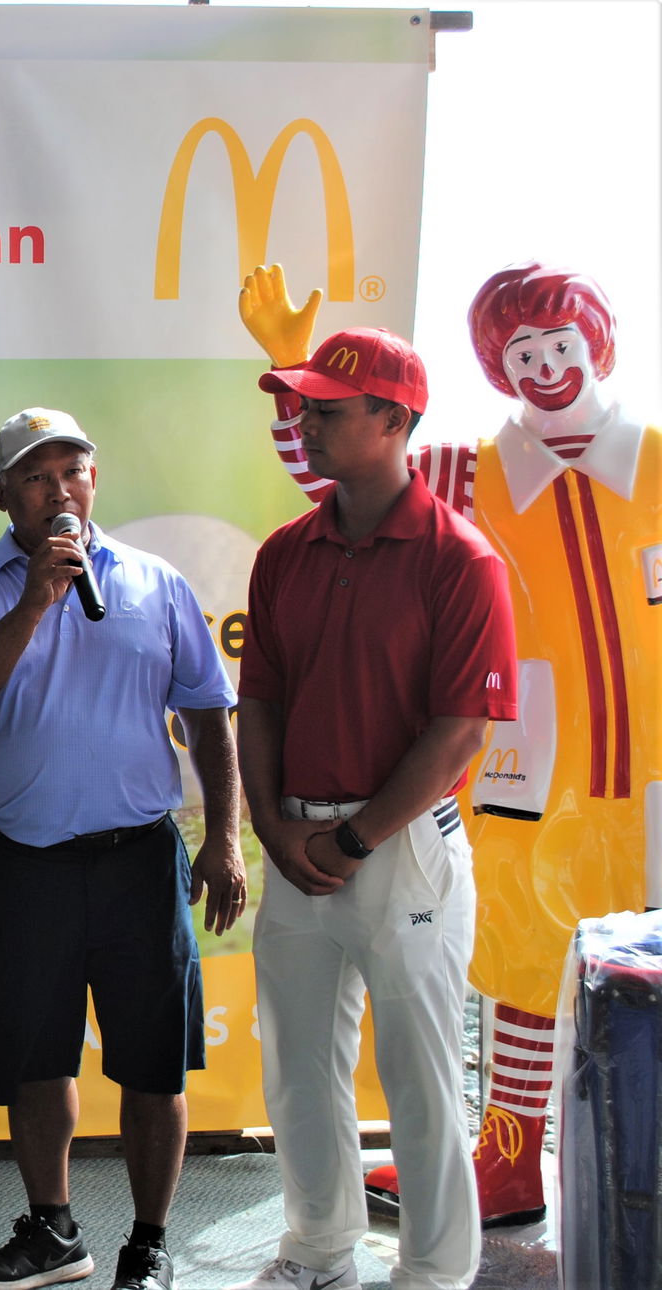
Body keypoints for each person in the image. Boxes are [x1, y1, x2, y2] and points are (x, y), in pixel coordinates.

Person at [241, 262, 661, 1227]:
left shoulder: (659, 457)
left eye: (560, 340)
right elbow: (328, 471)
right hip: (532, 763)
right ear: (495, 366)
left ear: (596, 340)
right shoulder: (468, 471)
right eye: (522, 350)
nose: (546, 364)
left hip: (652, 760)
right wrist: (289, 363)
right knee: (520, 961)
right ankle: (509, 1160)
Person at [0, 409, 246, 1290]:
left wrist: (223, 838)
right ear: (2, 496)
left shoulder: (155, 582)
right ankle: (54, 1231)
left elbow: (211, 713)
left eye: (74, 469)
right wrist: (33, 600)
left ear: (94, 479)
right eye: (36, 475)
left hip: (141, 859)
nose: (59, 488)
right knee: (36, 1058)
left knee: (152, 1062)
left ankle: (149, 1242)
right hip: (24, 862)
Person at [229, 329, 518, 1290]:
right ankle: (316, 1250)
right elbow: (259, 699)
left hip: (401, 850)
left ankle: (435, 1274)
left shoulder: (461, 558)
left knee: (422, 1079)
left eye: (326, 408)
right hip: (300, 838)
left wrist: (352, 836)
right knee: (299, 1068)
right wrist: (273, 826)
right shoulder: (285, 553)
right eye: (302, 405)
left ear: (394, 420)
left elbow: (460, 733)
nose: (304, 422)